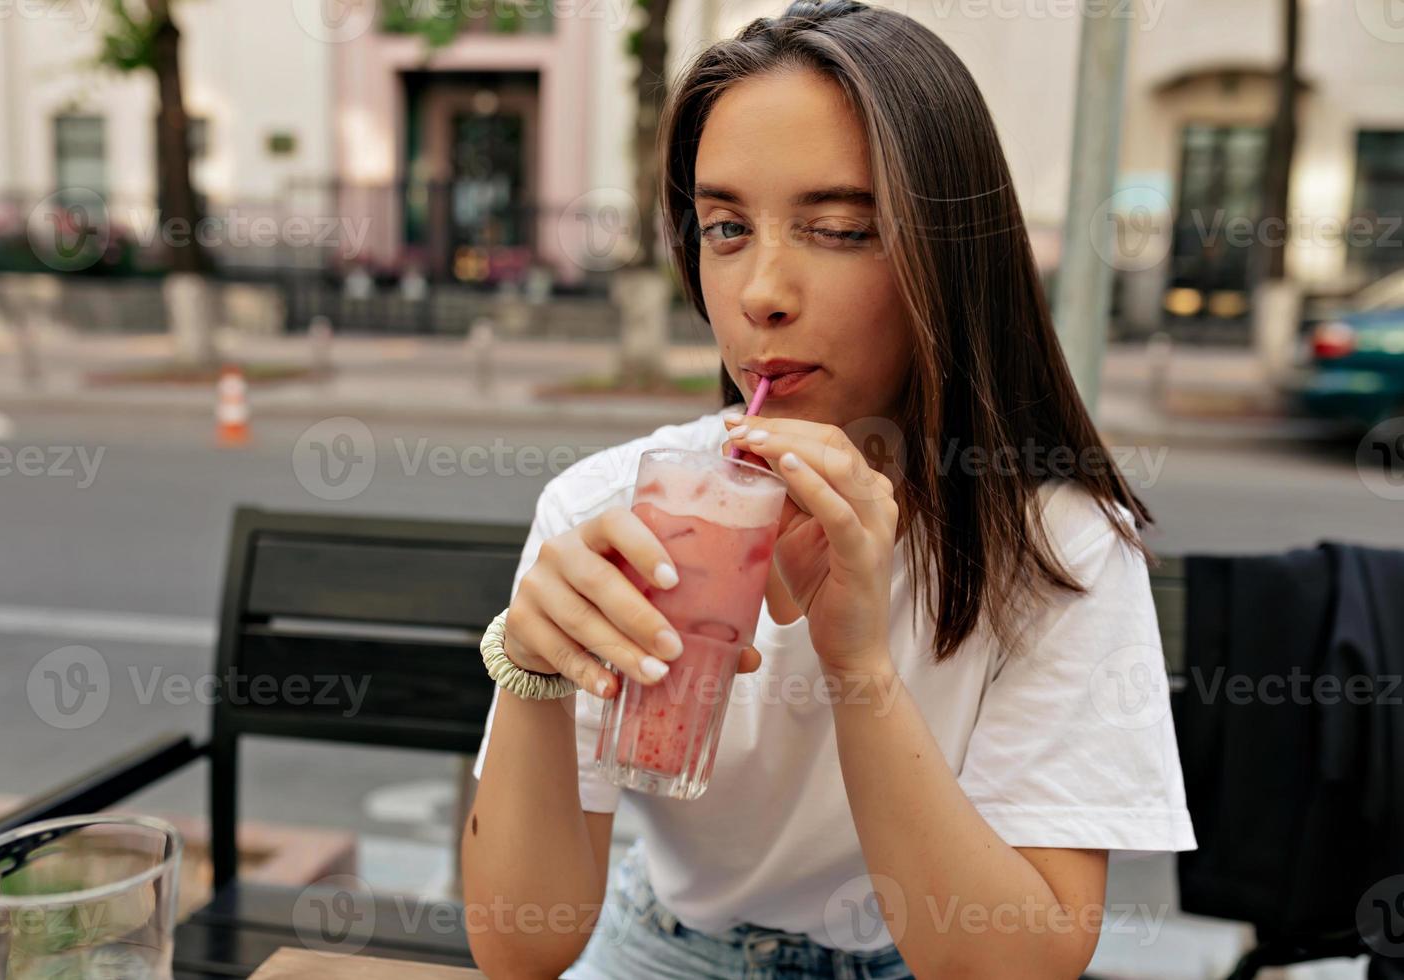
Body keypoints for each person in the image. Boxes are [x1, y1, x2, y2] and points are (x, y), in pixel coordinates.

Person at [462, 2, 1195, 976]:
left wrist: (858, 660)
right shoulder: (612, 511)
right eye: (725, 226)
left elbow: (1019, 962)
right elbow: (520, 947)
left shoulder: (1058, 544)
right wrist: (531, 667)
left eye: (841, 229)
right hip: (658, 946)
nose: (763, 289)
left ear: (947, 254)